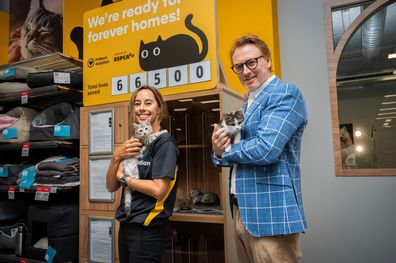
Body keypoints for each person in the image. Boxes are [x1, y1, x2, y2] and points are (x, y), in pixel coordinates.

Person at [211, 34, 308, 262]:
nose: (245, 71)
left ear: (268, 60)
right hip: (240, 209)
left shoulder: (285, 93)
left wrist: (224, 152)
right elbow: (217, 143)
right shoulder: (246, 104)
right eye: (238, 66)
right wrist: (217, 151)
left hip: (270, 214)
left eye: (251, 62)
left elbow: (266, 148)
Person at [106, 85, 179, 263]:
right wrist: (116, 157)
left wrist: (125, 178)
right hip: (125, 227)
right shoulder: (134, 142)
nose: (142, 108)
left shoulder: (165, 143)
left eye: (148, 103)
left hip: (147, 230)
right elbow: (110, 186)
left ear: (159, 107)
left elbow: (158, 189)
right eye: (137, 103)